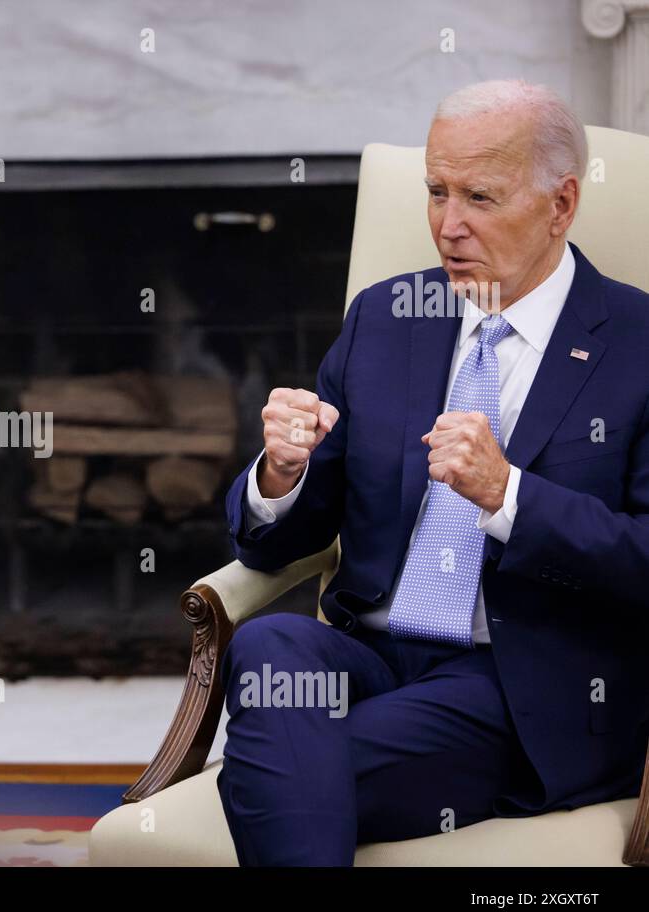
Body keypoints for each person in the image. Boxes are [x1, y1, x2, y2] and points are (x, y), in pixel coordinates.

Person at [220, 78, 649, 865]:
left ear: (561, 205)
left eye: (480, 197)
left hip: (517, 686)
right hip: (373, 656)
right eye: (435, 191)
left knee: (275, 767)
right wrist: (280, 477)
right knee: (271, 646)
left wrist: (510, 495)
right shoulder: (386, 318)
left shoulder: (637, 340)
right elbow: (287, 541)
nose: (448, 226)